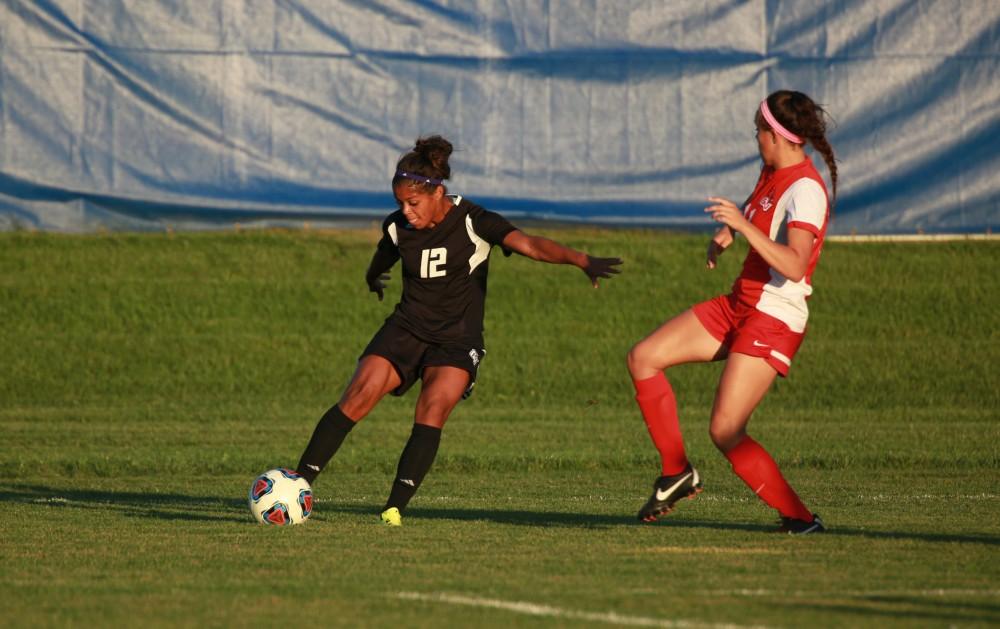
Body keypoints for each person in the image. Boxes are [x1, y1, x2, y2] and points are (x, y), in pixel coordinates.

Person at [295, 135, 622, 526]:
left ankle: (393, 508)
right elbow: (383, 254)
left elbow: (531, 245)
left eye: (413, 203)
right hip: (406, 328)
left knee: (432, 408)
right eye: (399, 202)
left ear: (437, 191)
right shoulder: (399, 226)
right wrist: (372, 278)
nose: (406, 211)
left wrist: (580, 259)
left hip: (456, 339)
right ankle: (296, 488)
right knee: (359, 394)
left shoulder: (473, 220)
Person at [627, 90, 837, 534]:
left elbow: (796, 265)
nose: (755, 139)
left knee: (725, 430)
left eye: (758, 132)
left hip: (773, 316)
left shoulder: (807, 191)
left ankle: (800, 519)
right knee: (643, 357)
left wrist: (742, 227)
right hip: (740, 303)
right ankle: (676, 473)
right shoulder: (773, 170)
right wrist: (730, 230)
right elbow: (761, 206)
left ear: (776, 136)